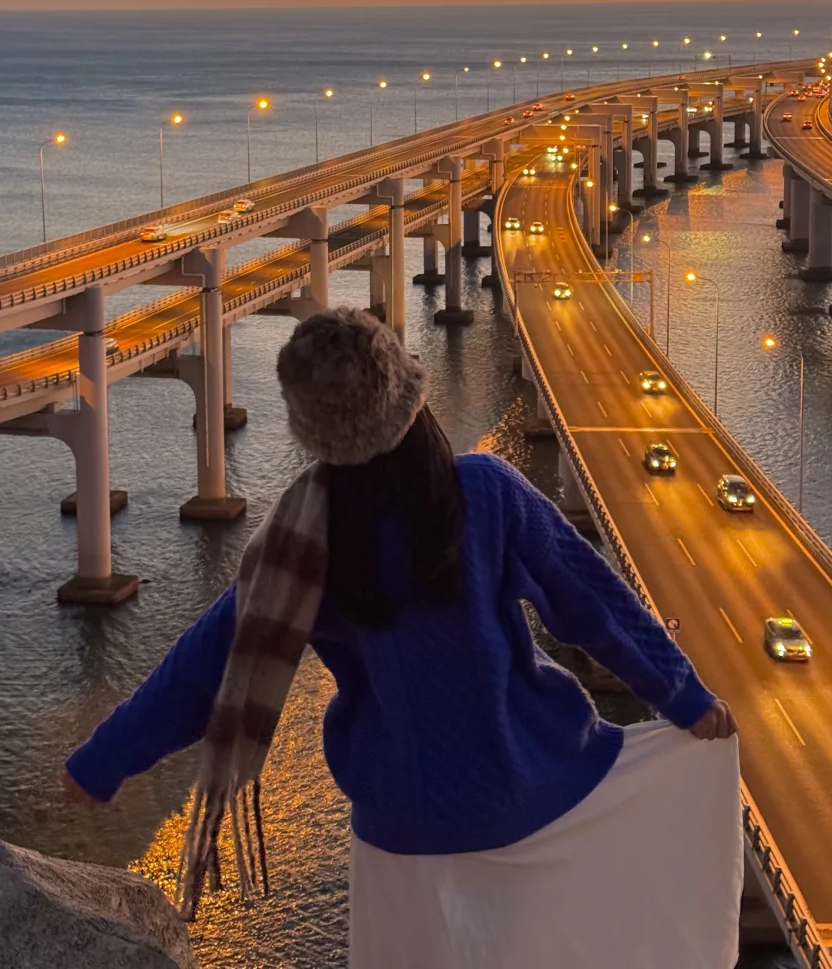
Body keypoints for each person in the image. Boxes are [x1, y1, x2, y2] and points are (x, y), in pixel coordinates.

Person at [65, 308, 742, 967]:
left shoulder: (301, 547)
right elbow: (592, 601)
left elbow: (205, 669)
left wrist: (101, 764)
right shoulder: (485, 493)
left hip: (402, 829)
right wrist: (683, 696)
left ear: (315, 436)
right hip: (536, 792)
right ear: (412, 406)